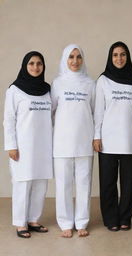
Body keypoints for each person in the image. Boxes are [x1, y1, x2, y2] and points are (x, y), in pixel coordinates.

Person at [93, 41, 132, 231]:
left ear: (127, 57)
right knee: (108, 182)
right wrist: (96, 136)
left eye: (123, 54)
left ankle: (125, 218)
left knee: (129, 182)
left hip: (130, 137)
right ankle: (110, 218)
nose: (119, 58)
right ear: (110, 57)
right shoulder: (103, 80)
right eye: (115, 55)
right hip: (107, 139)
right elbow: (98, 111)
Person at [3, 51, 53, 238]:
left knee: (40, 183)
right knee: (22, 183)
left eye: (39, 63)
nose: (35, 67)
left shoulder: (48, 89)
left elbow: (53, 116)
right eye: (31, 63)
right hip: (23, 146)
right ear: (25, 66)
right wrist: (11, 145)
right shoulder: (15, 90)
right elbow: (8, 119)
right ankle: (20, 223)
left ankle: (33, 220)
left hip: (44, 144)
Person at [51, 44, 95, 238]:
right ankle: (66, 223)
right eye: (71, 57)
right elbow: (51, 112)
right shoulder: (57, 83)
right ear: (65, 59)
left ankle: (82, 222)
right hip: (62, 143)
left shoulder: (90, 84)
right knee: (63, 185)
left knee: (84, 184)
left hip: (84, 142)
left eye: (78, 57)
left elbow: (95, 112)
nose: (75, 61)